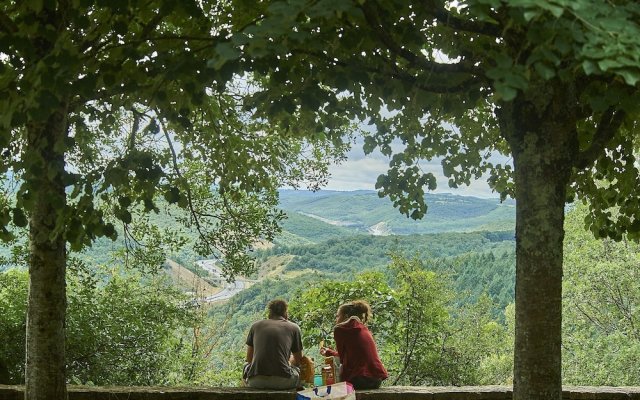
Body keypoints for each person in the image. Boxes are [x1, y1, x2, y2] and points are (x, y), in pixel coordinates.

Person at [320, 300, 388, 390]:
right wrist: (329, 352)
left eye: (338, 316)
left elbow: (342, 360)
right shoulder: (364, 328)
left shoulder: (340, 329)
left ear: (346, 316)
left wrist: (328, 353)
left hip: (360, 379)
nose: (336, 320)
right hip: (376, 380)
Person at [244, 299, 303, 389]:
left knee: (246, 366)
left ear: (269, 313)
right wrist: (289, 361)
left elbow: (249, 359)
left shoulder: (255, 326)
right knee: (298, 369)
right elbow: (298, 360)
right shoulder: (294, 328)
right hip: (283, 382)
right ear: (285, 313)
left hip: (256, 382)